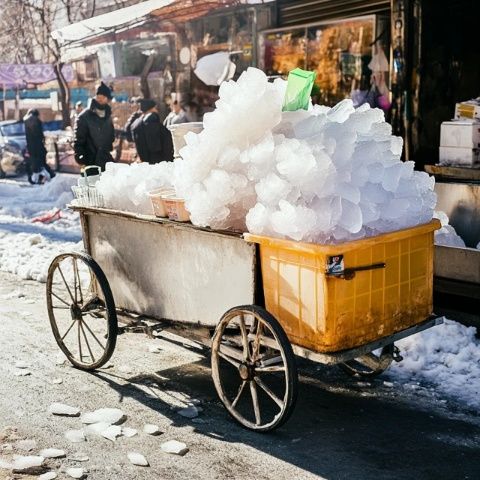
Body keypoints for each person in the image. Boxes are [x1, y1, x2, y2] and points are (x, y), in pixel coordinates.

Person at [74, 82, 115, 171]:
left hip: (106, 160)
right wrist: (81, 159)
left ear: (107, 99)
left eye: (103, 97)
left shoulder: (108, 116)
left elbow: (111, 136)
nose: (100, 99)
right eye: (98, 96)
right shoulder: (84, 117)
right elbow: (79, 141)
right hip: (90, 162)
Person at [132, 99, 174, 164]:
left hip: (144, 161)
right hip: (158, 162)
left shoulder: (136, 124)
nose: (156, 110)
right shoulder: (154, 123)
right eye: (155, 108)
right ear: (151, 109)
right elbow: (164, 144)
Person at [23, 109, 55, 184]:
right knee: (42, 163)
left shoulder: (26, 121)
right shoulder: (37, 121)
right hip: (39, 146)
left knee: (34, 163)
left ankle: (34, 179)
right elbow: (40, 135)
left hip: (31, 147)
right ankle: (51, 176)